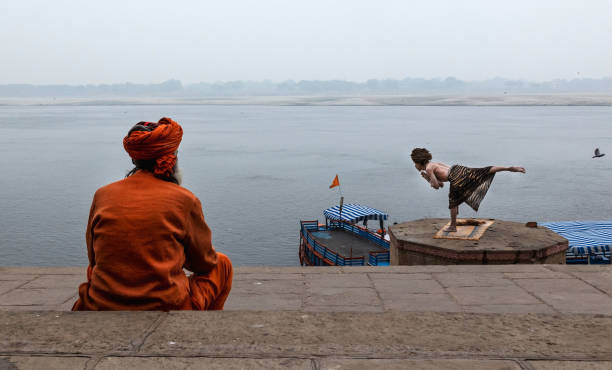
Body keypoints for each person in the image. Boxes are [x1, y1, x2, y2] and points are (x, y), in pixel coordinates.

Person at [73, 117, 233, 311]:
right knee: (222, 263)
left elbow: (94, 259)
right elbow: (205, 262)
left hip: (101, 304)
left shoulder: (103, 194)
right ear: (172, 158)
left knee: (94, 270)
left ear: (135, 159)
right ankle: (201, 326)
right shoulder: (184, 199)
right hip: (168, 305)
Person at [410, 148, 525, 232]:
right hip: (459, 169)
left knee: (453, 202)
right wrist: (429, 178)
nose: (415, 166)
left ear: (419, 163)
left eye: (415, 163)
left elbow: (436, 186)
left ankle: (453, 226)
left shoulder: (429, 169)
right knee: (483, 171)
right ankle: (508, 168)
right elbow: (441, 183)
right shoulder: (434, 164)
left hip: (455, 176)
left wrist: (426, 178)